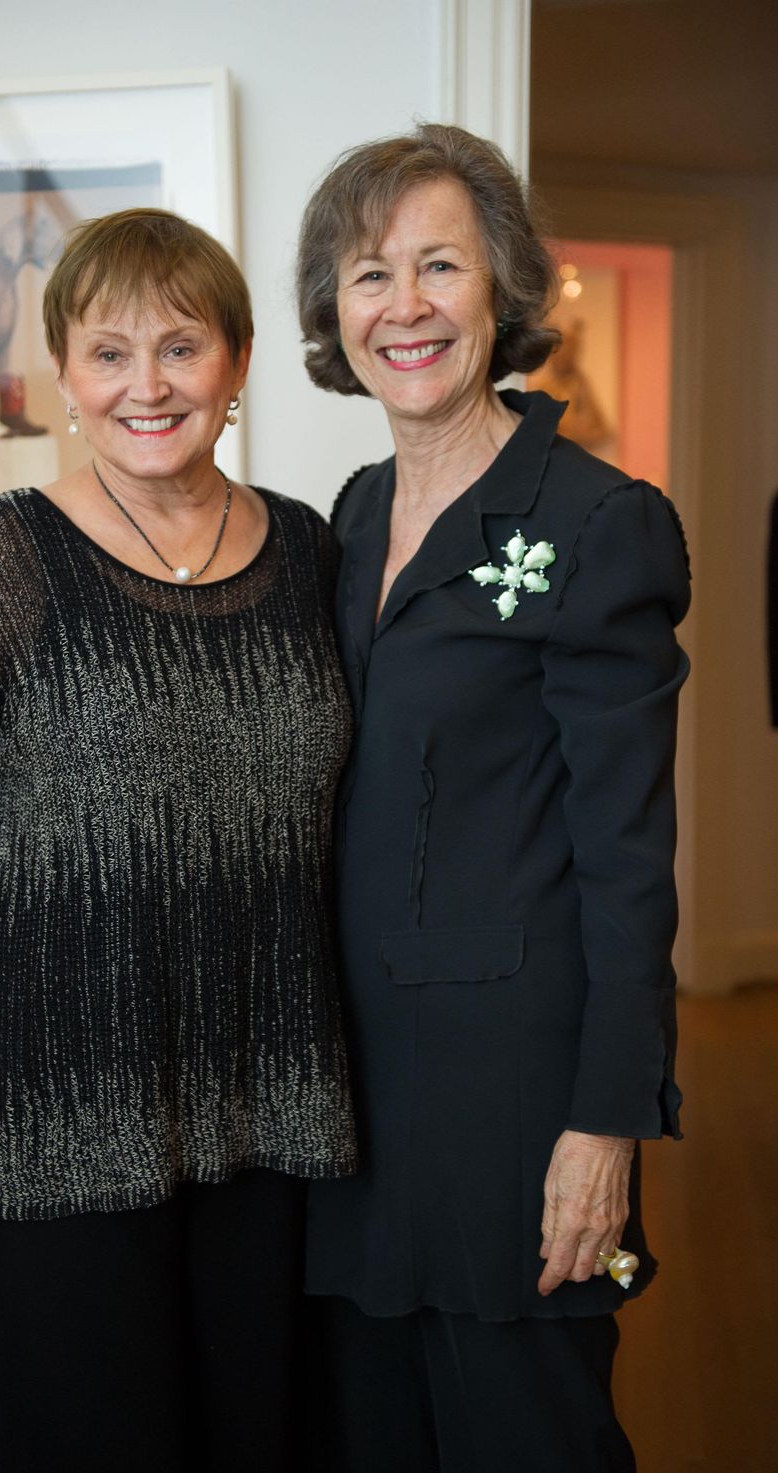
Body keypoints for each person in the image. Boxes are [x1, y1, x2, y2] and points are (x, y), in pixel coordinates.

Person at [0, 207, 357, 1473]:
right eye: (110, 352)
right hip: (57, 1101)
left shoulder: (310, 553)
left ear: (237, 364)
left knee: (264, 1437)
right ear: (65, 379)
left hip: (268, 1098)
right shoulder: (4, 561)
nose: (149, 385)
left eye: (182, 347)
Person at [296, 123, 690, 1472]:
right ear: (332, 310)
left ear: (503, 290)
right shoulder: (345, 519)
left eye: (439, 266)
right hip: (344, 1109)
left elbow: (629, 861)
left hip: (514, 1108)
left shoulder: (594, 523)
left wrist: (608, 1126)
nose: (403, 305)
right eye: (367, 273)